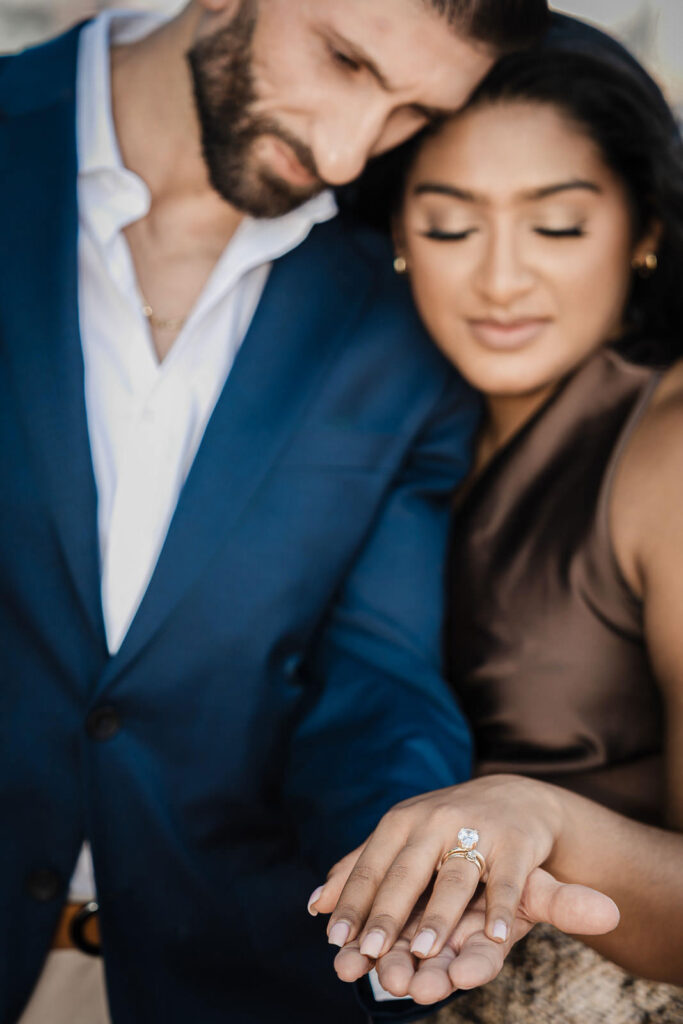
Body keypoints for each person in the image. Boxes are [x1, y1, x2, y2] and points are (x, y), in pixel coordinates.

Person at [0, 1, 557, 1022]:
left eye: (410, 113)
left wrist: (409, 871)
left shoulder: (402, 300)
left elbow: (374, 672)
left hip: (221, 980)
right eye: (344, 60)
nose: (347, 152)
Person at [310, 26, 683, 1023]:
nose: (500, 280)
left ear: (645, 225)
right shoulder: (369, 419)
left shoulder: (666, 452)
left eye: (555, 227)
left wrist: (540, 816)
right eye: (447, 227)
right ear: (393, 231)